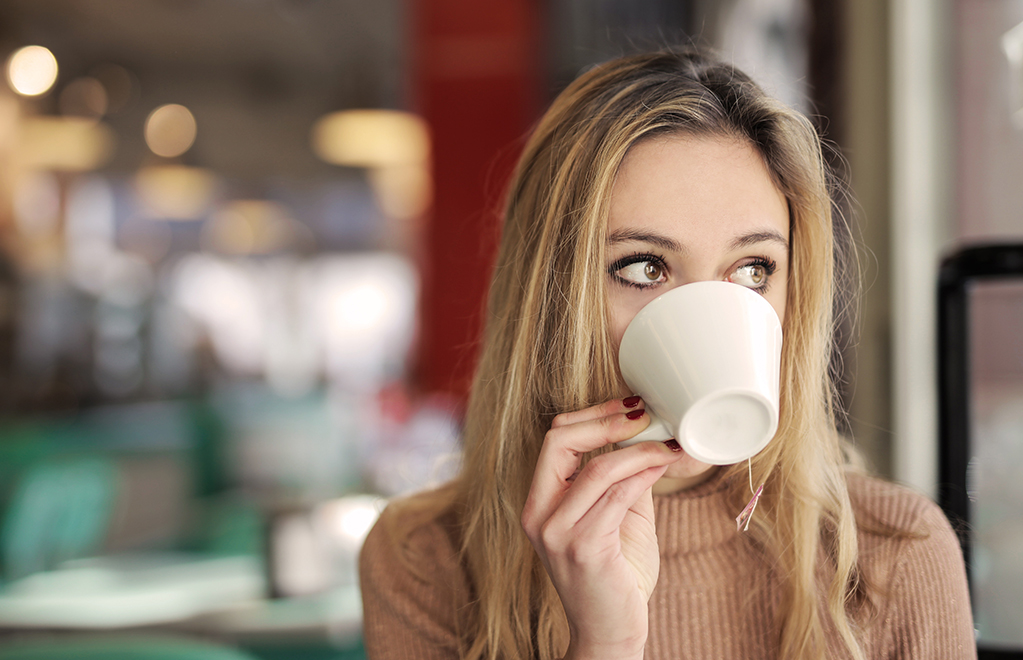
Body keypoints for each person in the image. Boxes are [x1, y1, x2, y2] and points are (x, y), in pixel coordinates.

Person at [358, 49, 975, 660]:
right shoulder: (424, 557)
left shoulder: (896, 552)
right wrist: (605, 645)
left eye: (753, 269)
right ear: (549, 296)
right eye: (645, 267)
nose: (709, 317)